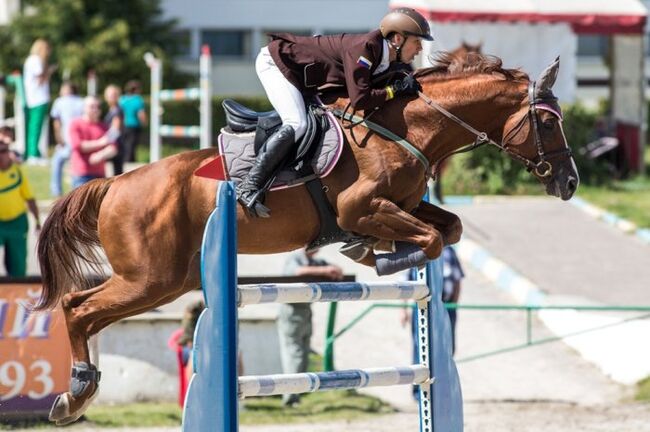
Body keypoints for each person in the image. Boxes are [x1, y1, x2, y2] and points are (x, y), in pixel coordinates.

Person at [236, 7, 433, 217]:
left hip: (303, 77)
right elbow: (360, 100)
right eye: (417, 42)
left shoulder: (387, 59)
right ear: (397, 39)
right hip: (276, 64)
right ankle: (249, 185)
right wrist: (394, 91)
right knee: (297, 123)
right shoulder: (365, 49)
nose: (420, 48)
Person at [280, 247, 343, 406]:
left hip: (305, 311)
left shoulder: (315, 262)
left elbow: (335, 269)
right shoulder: (296, 258)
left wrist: (330, 270)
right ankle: (290, 397)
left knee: (303, 353)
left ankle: (297, 394)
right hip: (291, 311)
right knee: (295, 354)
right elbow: (297, 271)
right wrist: (325, 270)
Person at [402, 246, 464, 400]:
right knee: (421, 347)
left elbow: (457, 279)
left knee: (448, 348)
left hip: (446, 305)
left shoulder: (449, 252)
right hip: (423, 307)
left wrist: (453, 306)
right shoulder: (415, 250)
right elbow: (405, 281)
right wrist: (404, 309)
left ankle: (442, 389)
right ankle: (419, 392)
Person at [0, 126, 41, 277]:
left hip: (17, 222)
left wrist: (37, 221)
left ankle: (16, 296)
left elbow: (29, 198)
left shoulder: (17, 172)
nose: (1, 156)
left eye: (3, 151)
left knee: (17, 267)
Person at [68, 96, 118, 188]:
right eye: (92, 106)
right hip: (81, 175)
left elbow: (113, 148)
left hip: (100, 175)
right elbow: (78, 146)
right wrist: (101, 142)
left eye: (98, 107)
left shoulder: (104, 126)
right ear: (84, 108)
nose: (95, 109)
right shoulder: (75, 124)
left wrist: (101, 155)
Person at [23, 38, 56, 163]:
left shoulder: (31, 60)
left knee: (34, 127)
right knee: (36, 127)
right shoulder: (35, 60)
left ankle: (34, 151)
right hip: (38, 98)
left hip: (34, 98)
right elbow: (41, 77)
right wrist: (49, 71)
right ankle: (33, 154)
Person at [49, 81, 85, 197]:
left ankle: (56, 190)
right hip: (80, 139)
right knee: (76, 165)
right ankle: (76, 190)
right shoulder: (82, 101)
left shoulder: (59, 102)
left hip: (67, 138)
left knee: (57, 162)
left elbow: (57, 123)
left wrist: (59, 138)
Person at [118, 80, 147, 163]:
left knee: (124, 145)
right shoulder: (138, 100)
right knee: (132, 146)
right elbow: (141, 114)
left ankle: (126, 160)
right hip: (134, 126)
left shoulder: (122, 99)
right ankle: (129, 163)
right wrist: (145, 123)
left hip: (123, 126)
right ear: (136, 90)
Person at [103, 85, 125, 175]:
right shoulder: (112, 109)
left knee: (117, 175)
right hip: (114, 144)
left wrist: (104, 142)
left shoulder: (117, 110)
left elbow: (115, 129)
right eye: (110, 95)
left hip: (116, 145)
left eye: (114, 95)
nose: (112, 97)